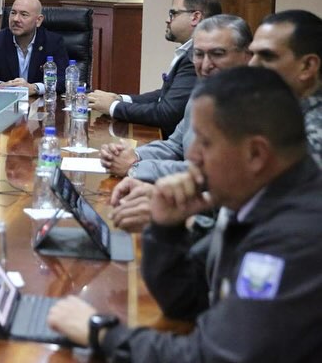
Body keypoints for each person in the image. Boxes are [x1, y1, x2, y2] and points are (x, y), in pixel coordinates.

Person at [48, 67, 322, 361]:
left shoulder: (296, 236)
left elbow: (215, 356)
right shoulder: (257, 202)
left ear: (256, 154)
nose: (191, 156)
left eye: (205, 143)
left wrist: (102, 333)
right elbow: (188, 302)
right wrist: (167, 229)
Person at [104, 15, 252, 232]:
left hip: (220, 226)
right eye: (199, 54)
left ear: (247, 56)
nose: (205, 65)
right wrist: (134, 155)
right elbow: (175, 145)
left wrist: (135, 167)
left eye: (218, 54)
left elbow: (210, 173)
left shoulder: (255, 106)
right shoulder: (203, 93)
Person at [89, 0, 221, 138]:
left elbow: (167, 113)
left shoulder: (196, 58)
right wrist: (120, 99)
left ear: (195, 17)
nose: (167, 19)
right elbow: (164, 95)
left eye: (173, 14)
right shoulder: (190, 52)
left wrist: (113, 107)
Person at [249, 9, 321, 168]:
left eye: (267, 56)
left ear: (308, 66)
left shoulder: (313, 134)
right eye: (252, 54)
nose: (252, 65)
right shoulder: (284, 113)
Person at [0, 0, 69, 97]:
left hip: (40, 103)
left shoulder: (53, 42)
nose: (16, 19)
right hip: (7, 101)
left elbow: (64, 80)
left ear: (38, 20)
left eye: (24, 14)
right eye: (13, 13)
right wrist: (2, 85)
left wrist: (35, 88)